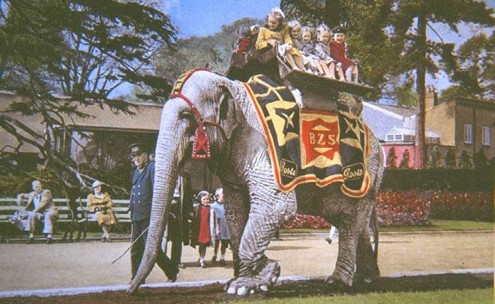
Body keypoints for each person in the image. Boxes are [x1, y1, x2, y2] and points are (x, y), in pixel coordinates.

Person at [128, 143, 178, 283]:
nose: (136, 158)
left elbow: (157, 192)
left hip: (149, 216)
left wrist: (155, 217)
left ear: (146, 155)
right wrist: (131, 210)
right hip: (137, 216)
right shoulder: (136, 171)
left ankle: (171, 270)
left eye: (138, 155)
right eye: (133, 156)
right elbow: (134, 193)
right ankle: (136, 278)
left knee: (151, 250)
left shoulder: (152, 168)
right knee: (135, 249)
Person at [19, 180, 58, 244]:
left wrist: (33, 211)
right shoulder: (33, 194)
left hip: (50, 211)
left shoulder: (46, 192)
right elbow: (24, 195)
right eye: (36, 187)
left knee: (47, 215)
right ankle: (31, 236)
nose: (38, 188)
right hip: (40, 213)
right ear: (33, 188)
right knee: (32, 215)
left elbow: (42, 205)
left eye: (39, 186)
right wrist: (20, 197)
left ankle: (49, 236)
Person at [190, 190, 216, 268]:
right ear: (200, 200)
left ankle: (202, 259)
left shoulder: (211, 209)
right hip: (199, 229)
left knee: (204, 245)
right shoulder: (197, 208)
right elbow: (193, 217)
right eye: (204, 199)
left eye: (207, 199)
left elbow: (213, 220)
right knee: (201, 245)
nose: (206, 201)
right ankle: (201, 258)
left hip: (206, 229)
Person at [210, 188, 231, 266]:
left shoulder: (227, 206)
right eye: (222, 196)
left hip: (225, 227)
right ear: (218, 196)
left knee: (224, 243)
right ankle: (214, 255)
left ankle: (222, 257)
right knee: (216, 242)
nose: (224, 197)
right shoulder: (213, 206)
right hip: (217, 227)